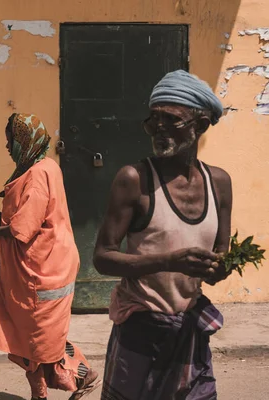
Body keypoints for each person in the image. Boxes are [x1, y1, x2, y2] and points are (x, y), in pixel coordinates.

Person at [93, 70, 232, 399]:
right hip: (141, 327)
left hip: (190, 328)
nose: (158, 127)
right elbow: (102, 257)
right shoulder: (134, 180)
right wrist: (169, 261)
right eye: (153, 119)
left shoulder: (219, 184)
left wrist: (216, 269)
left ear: (199, 125)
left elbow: (222, 256)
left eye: (170, 120)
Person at [0, 113, 99, 400]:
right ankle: (74, 379)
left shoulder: (38, 174)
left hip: (42, 272)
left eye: (11, 141)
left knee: (34, 337)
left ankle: (55, 387)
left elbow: (24, 227)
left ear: (26, 141)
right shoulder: (45, 166)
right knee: (34, 335)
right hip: (40, 266)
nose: (7, 147)